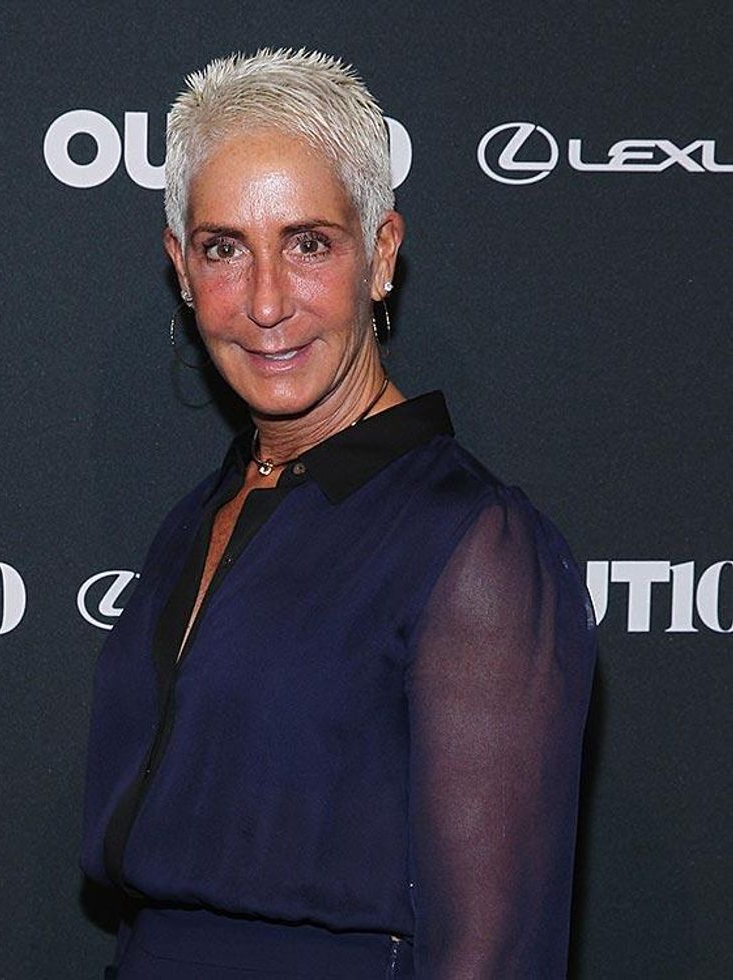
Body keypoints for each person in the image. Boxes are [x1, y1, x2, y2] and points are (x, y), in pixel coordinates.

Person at [80, 48, 596, 979]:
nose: (266, 301)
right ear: (182, 270)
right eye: (224, 248)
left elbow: (494, 953)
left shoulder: (473, 542)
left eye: (308, 243)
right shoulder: (205, 512)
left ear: (381, 254)